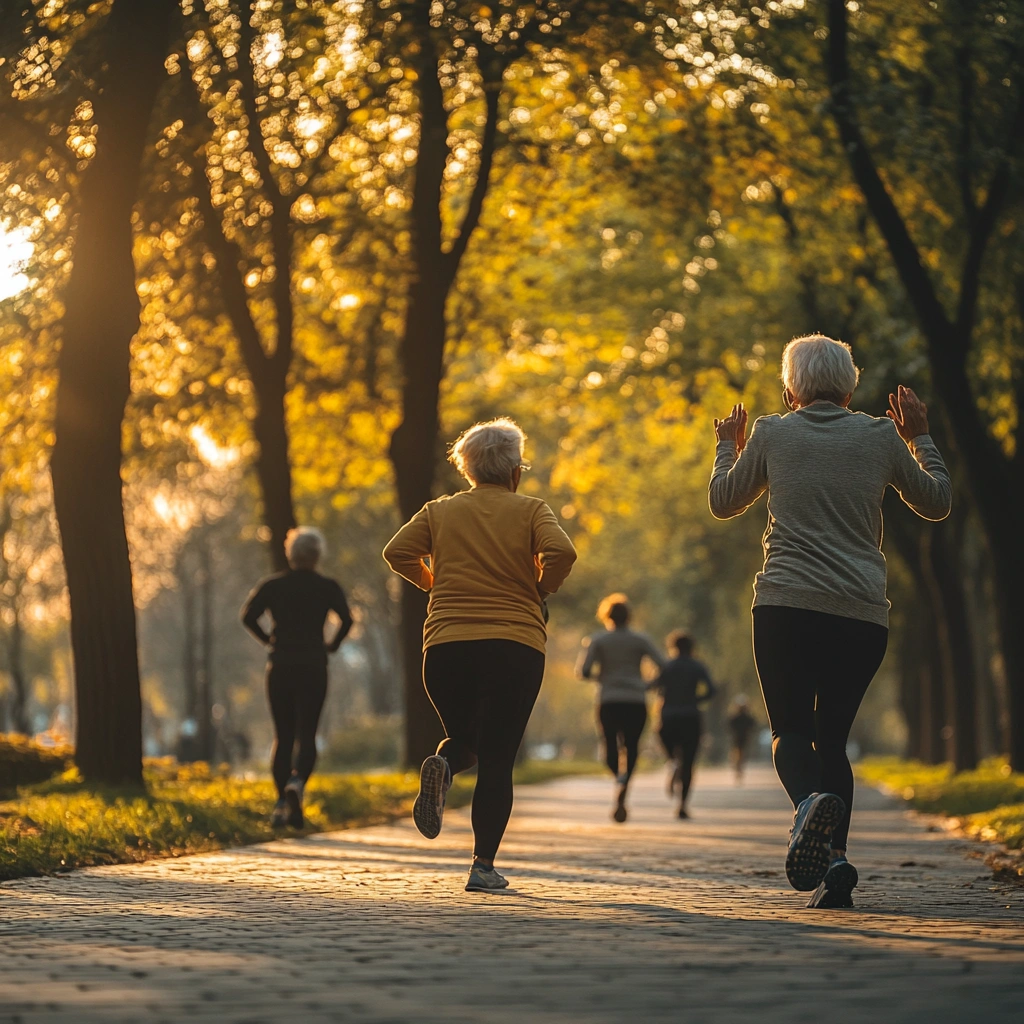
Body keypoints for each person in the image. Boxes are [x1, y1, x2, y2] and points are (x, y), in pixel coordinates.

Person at [709, 335, 950, 908]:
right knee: (833, 740)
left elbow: (723, 501)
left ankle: (811, 816)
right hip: (859, 612)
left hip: (785, 607)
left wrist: (726, 448)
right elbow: (937, 501)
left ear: (790, 389)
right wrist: (920, 437)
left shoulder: (771, 432)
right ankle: (834, 864)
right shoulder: (881, 436)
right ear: (850, 387)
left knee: (790, 733)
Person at [383, 418, 576, 893]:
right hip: (514, 646)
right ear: (515, 471)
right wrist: (538, 589)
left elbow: (397, 552)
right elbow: (562, 553)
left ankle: (445, 766)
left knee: (468, 738)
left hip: (445, 648)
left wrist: (435, 584)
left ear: (467, 470)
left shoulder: (439, 511)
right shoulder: (531, 510)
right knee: (497, 756)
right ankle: (482, 866)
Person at [241, 527, 352, 830]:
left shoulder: (273, 585)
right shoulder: (327, 587)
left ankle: (280, 803)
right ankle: (298, 781)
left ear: (291, 554)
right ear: (317, 556)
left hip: (281, 665)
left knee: (283, 734)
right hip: (313, 665)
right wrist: (332, 645)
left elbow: (248, 616)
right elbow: (347, 619)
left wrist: (269, 640)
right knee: (308, 732)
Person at [577, 595, 666, 823]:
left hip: (609, 699)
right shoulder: (640, 640)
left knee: (609, 746)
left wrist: (602, 677)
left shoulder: (598, 640)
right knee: (632, 746)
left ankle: (618, 777)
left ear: (606, 616)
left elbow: (583, 671)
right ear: (629, 616)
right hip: (635, 699)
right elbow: (664, 666)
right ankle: (625, 784)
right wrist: (648, 684)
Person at [648, 631, 716, 819]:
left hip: (668, 716)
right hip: (691, 716)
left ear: (673, 647)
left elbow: (653, 685)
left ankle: (672, 762)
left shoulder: (666, 666)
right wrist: (695, 699)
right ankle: (682, 805)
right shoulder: (697, 666)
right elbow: (711, 690)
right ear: (691, 647)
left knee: (671, 751)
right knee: (689, 762)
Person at [727, 695, 756, 784]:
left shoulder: (736, 717)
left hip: (740, 738)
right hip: (740, 738)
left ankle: (738, 769)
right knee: (740, 754)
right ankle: (738, 769)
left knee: (740, 755)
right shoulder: (744, 717)